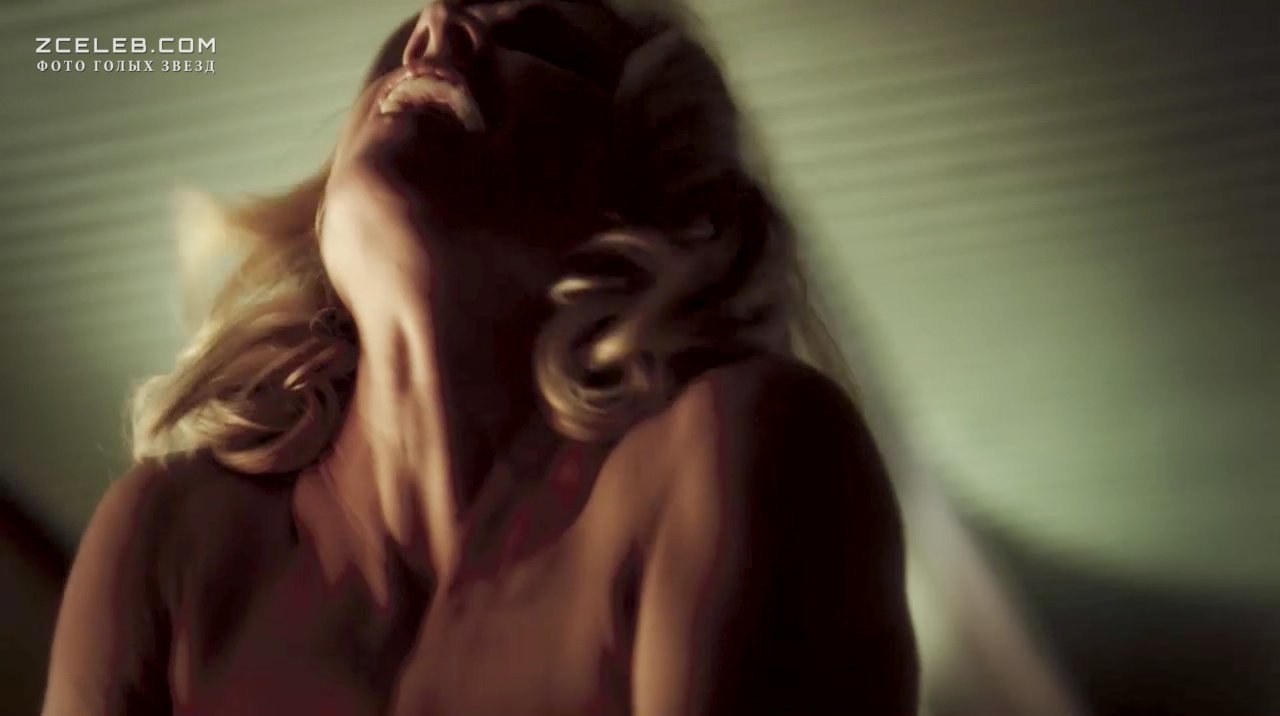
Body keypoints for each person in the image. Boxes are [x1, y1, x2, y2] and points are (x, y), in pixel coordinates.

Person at [42, 1, 918, 714]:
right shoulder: (169, 539)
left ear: (641, 192)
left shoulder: (733, 449)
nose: (436, 28)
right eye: (401, 42)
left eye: (535, 36)